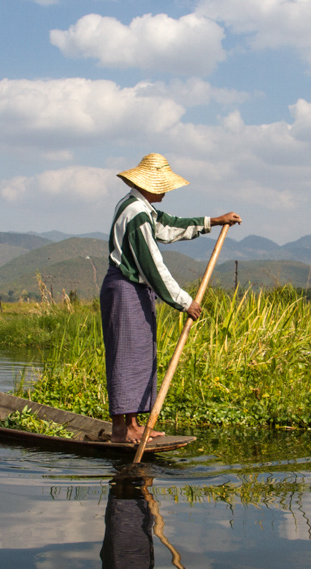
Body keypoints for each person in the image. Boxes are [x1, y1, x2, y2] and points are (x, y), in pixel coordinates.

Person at [102, 154, 241, 444]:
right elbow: (152, 266)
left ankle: (134, 424)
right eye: (162, 185)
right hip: (126, 288)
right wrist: (183, 301)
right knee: (126, 356)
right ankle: (120, 430)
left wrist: (214, 221)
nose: (165, 190)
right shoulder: (136, 213)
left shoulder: (142, 208)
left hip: (135, 290)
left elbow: (169, 226)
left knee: (141, 354)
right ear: (149, 185)